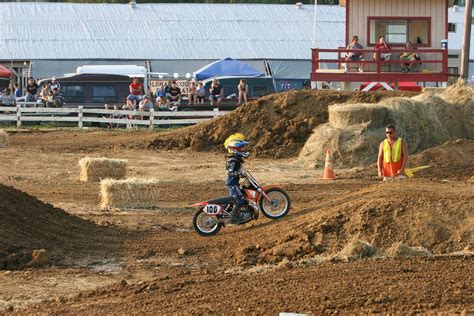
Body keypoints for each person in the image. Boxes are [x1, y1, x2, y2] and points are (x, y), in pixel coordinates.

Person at [224, 133, 252, 224]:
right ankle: (233, 218)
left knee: (243, 196)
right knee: (239, 200)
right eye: (241, 148)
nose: (243, 149)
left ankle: (239, 213)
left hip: (235, 184)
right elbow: (230, 172)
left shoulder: (237, 159)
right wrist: (239, 173)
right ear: (235, 149)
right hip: (232, 184)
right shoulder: (233, 160)